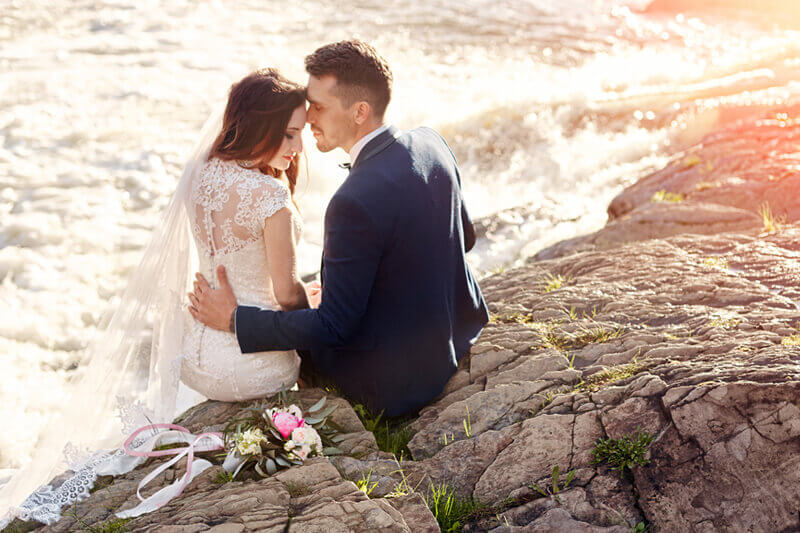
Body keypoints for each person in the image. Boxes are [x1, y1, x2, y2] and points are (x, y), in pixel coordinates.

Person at [0, 68, 311, 526]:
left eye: (300, 134)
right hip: (252, 363)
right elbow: (285, 293)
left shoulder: (202, 172)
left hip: (194, 353)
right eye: (288, 134)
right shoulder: (270, 196)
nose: (297, 147)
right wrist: (316, 312)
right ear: (260, 126)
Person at [190, 40, 489, 418]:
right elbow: (466, 237)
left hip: (394, 382)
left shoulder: (352, 202)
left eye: (319, 106)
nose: (309, 117)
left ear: (359, 111)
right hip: (456, 332)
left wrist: (236, 319)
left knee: (304, 329)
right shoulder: (432, 142)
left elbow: (334, 329)